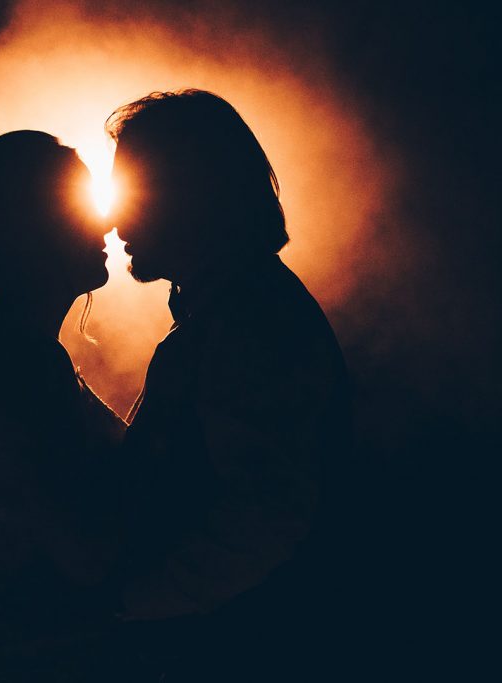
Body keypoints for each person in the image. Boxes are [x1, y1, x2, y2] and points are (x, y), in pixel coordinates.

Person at [106, 90, 353, 681]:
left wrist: (125, 606)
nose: (116, 220)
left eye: (136, 193)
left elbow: (266, 516)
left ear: (192, 196)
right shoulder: (227, 312)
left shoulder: (252, 323)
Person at [0, 130, 127, 682]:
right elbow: (81, 550)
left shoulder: (18, 346)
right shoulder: (19, 359)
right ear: (32, 229)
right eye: (80, 205)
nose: (106, 222)